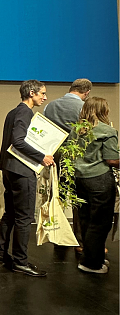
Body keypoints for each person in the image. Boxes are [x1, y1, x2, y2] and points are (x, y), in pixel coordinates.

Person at [0, 80, 54, 277]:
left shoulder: (13, 112)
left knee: (10, 213)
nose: (44, 98)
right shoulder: (25, 113)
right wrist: (42, 157)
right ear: (31, 93)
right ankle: (20, 261)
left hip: (9, 169)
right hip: (22, 171)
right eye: (42, 94)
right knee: (24, 217)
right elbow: (18, 141)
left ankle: (0, 253)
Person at [43, 78, 92, 251]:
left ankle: (57, 236)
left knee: (58, 196)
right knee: (78, 199)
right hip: (76, 158)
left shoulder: (50, 106)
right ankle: (79, 239)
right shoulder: (84, 108)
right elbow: (87, 133)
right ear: (86, 93)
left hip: (54, 156)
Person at [74, 97, 119, 273]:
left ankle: (95, 257)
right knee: (100, 222)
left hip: (80, 179)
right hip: (99, 180)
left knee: (85, 220)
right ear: (103, 111)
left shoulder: (77, 130)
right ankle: (91, 264)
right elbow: (112, 159)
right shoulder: (107, 130)